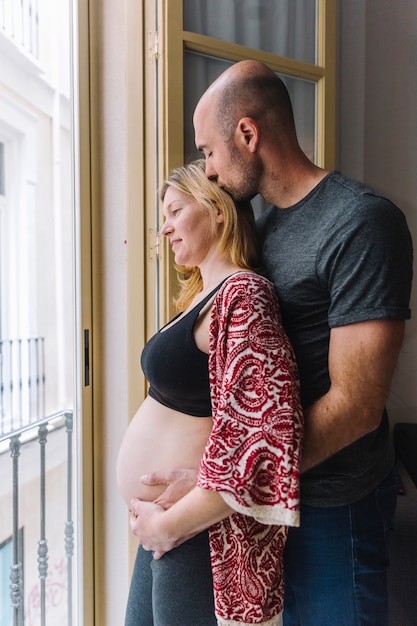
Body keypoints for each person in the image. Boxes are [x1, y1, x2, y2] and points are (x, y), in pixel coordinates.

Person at [138, 61, 414, 626]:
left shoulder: (362, 223)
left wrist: (226, 484)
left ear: (247, 134)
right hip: (259, 511)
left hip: (336, 508)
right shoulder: (261, 231)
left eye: (209, 152)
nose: (208, 172)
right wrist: (225, 483)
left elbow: (357, 407)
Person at [118, 159, 304, 626]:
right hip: (168, 525)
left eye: (176, 211)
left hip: (199, 530)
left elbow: (265, 434)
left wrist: (172, 520)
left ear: (217, 210)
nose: (165, 228)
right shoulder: (205, 296)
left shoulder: (245, 295)